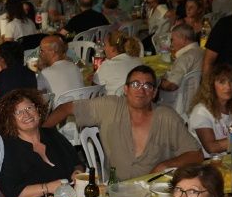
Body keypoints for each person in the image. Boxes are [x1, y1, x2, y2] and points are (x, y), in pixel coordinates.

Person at [45, 65, 202, 180]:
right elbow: (66, 108)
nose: (141, 90)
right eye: (135, 84)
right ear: (126, 89)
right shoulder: (110, 106)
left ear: (154, 93)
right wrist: (39, 134)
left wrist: (165, 165)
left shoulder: (166, 117)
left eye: (147, 85)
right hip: (117, 189)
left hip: (155, 190)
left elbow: (196, 154)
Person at [0, 88, 82, 197]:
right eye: (18, 112)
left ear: (38, 110)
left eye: (29, 108)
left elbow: (77, 162)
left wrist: (78, 172)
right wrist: (48, 188)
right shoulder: (8, 148)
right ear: (10, 120)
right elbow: (16, 193)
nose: (26, 114)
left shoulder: (52, 134)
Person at [188, 64, 232, 156]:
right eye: (222, 82)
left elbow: (231, 134)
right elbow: (211, 148)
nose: (228, 87)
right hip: (206, 163)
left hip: (227, 159)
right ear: (211, 86)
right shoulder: (201, 111)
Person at [158, 24, 204, 101]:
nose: (171, 44)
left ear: (183, 39)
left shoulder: (185, 57)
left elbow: (171, 85)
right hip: (197, 97)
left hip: (181, 101)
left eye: (173, 40)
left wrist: (157, 82)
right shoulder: (202, 52)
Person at [92, 29, 143, 97]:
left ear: (113, 48)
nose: (104, 48)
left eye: (105, 45)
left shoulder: (107, 65)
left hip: (115, 105)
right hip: (136, 101)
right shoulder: (138, 60)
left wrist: (93, 77)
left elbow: (94, 89)